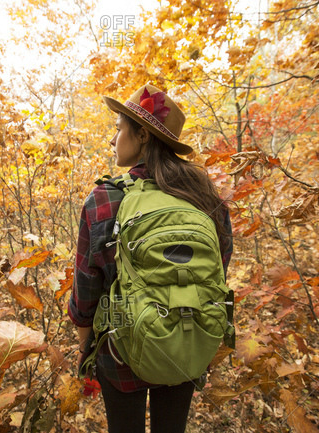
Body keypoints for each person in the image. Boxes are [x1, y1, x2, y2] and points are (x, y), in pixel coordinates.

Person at [68, 84, 233, 433]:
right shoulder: (206, 198)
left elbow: (86, 291)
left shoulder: (103, 201)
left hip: (120, 351)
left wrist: (87, 347)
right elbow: (219, 268)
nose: (113, 139)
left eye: (118, 128)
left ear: (142, 134)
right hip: (187, 340)